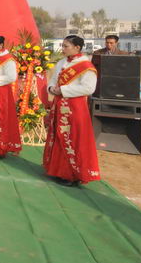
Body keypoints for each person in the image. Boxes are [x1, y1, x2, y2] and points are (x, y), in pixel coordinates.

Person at [44, 35, 101, 186]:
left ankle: (72, 174)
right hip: (59, 105)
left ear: (77, 48)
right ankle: (57, 170)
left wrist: (63, 90)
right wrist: (51, 88)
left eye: (66, 46)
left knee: (73, 139)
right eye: (62, 45)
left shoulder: (86, 66)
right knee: (58, 136)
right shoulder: (62, 62)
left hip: (75, 108)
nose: (62, 49)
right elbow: (53, 80)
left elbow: (89, 88)